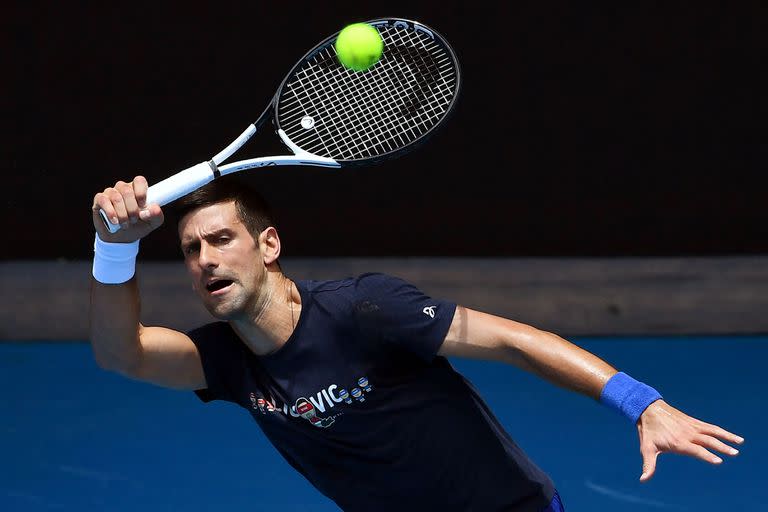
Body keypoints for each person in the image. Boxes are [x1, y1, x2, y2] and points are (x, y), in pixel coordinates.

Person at [89, 175, 744, 512]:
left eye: (222, 239)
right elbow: (124, 354)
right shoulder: (229, 362)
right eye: (189, 249)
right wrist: (112, 251)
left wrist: (642, 403)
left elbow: (516, 342)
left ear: (269, 244)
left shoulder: (365, 309)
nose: (204, 259)